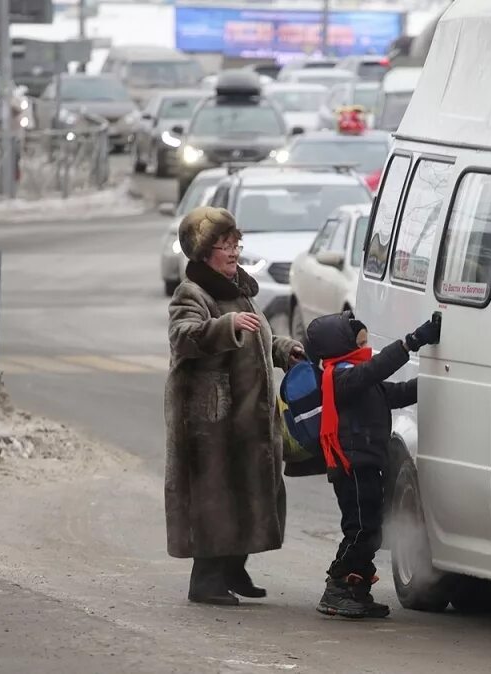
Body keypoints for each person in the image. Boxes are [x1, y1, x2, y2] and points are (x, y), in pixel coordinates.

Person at [164, 206, 304, 606]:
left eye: (235, 243)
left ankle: (233, 566)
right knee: (214, 495)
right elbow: (183, 337)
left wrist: (284, 350)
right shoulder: (192, 292)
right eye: (225, 245)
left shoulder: (240, 290)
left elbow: (259, 337)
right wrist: (226, 327)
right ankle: (206, 579)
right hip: (210, 417)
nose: (233, 251)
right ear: (204, 251)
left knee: (251, 487)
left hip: (247, 415)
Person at [304, 310, 440, 619]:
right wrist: (411, 343)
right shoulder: (339, 376)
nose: (367, 346)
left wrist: (438, 381)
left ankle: (358, 590)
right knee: (361, 529)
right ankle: (336, 588)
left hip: (365, 463)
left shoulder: (358, 374)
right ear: (340, 346)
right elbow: (375, 371)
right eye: (360, 340)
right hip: (351, 465)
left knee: (372, 529)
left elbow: (398, 393)